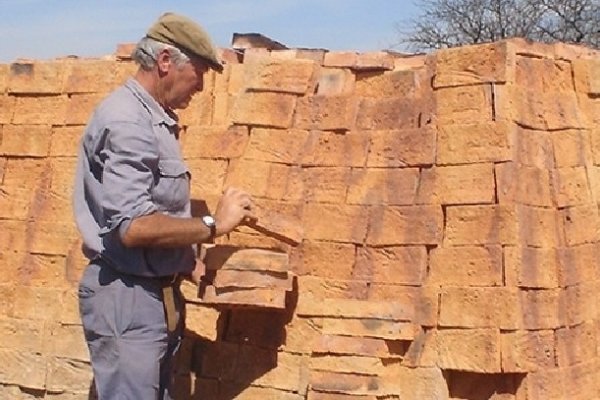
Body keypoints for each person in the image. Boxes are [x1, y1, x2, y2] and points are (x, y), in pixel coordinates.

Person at [72, 12, 254, 399]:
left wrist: (185, 261)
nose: (202, 87)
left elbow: (154, 207)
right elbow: (133, 226)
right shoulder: (128, 122)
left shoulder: (155, 119)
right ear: (166, 62)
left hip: (152, 294)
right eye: (200, 72)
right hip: (127, 296)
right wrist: (212, 225)